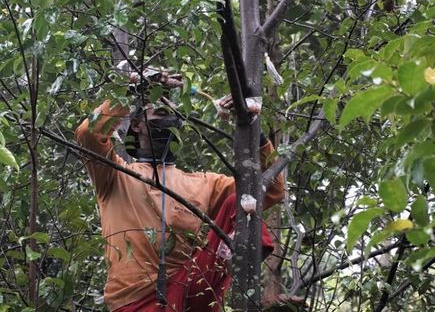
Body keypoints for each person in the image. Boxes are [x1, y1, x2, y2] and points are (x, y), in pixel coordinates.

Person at [75, 71, 285, 311]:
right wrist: (138, 85)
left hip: (188, 289)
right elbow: (88, 134)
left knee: (241, 200)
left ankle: (239, 263)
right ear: (136, 124)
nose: (170, 120)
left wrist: (251, 127)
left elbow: (272, 190)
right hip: (133, 300)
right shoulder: (115, 176)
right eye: (161, 113)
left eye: (175, 116)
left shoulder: (205, 183)